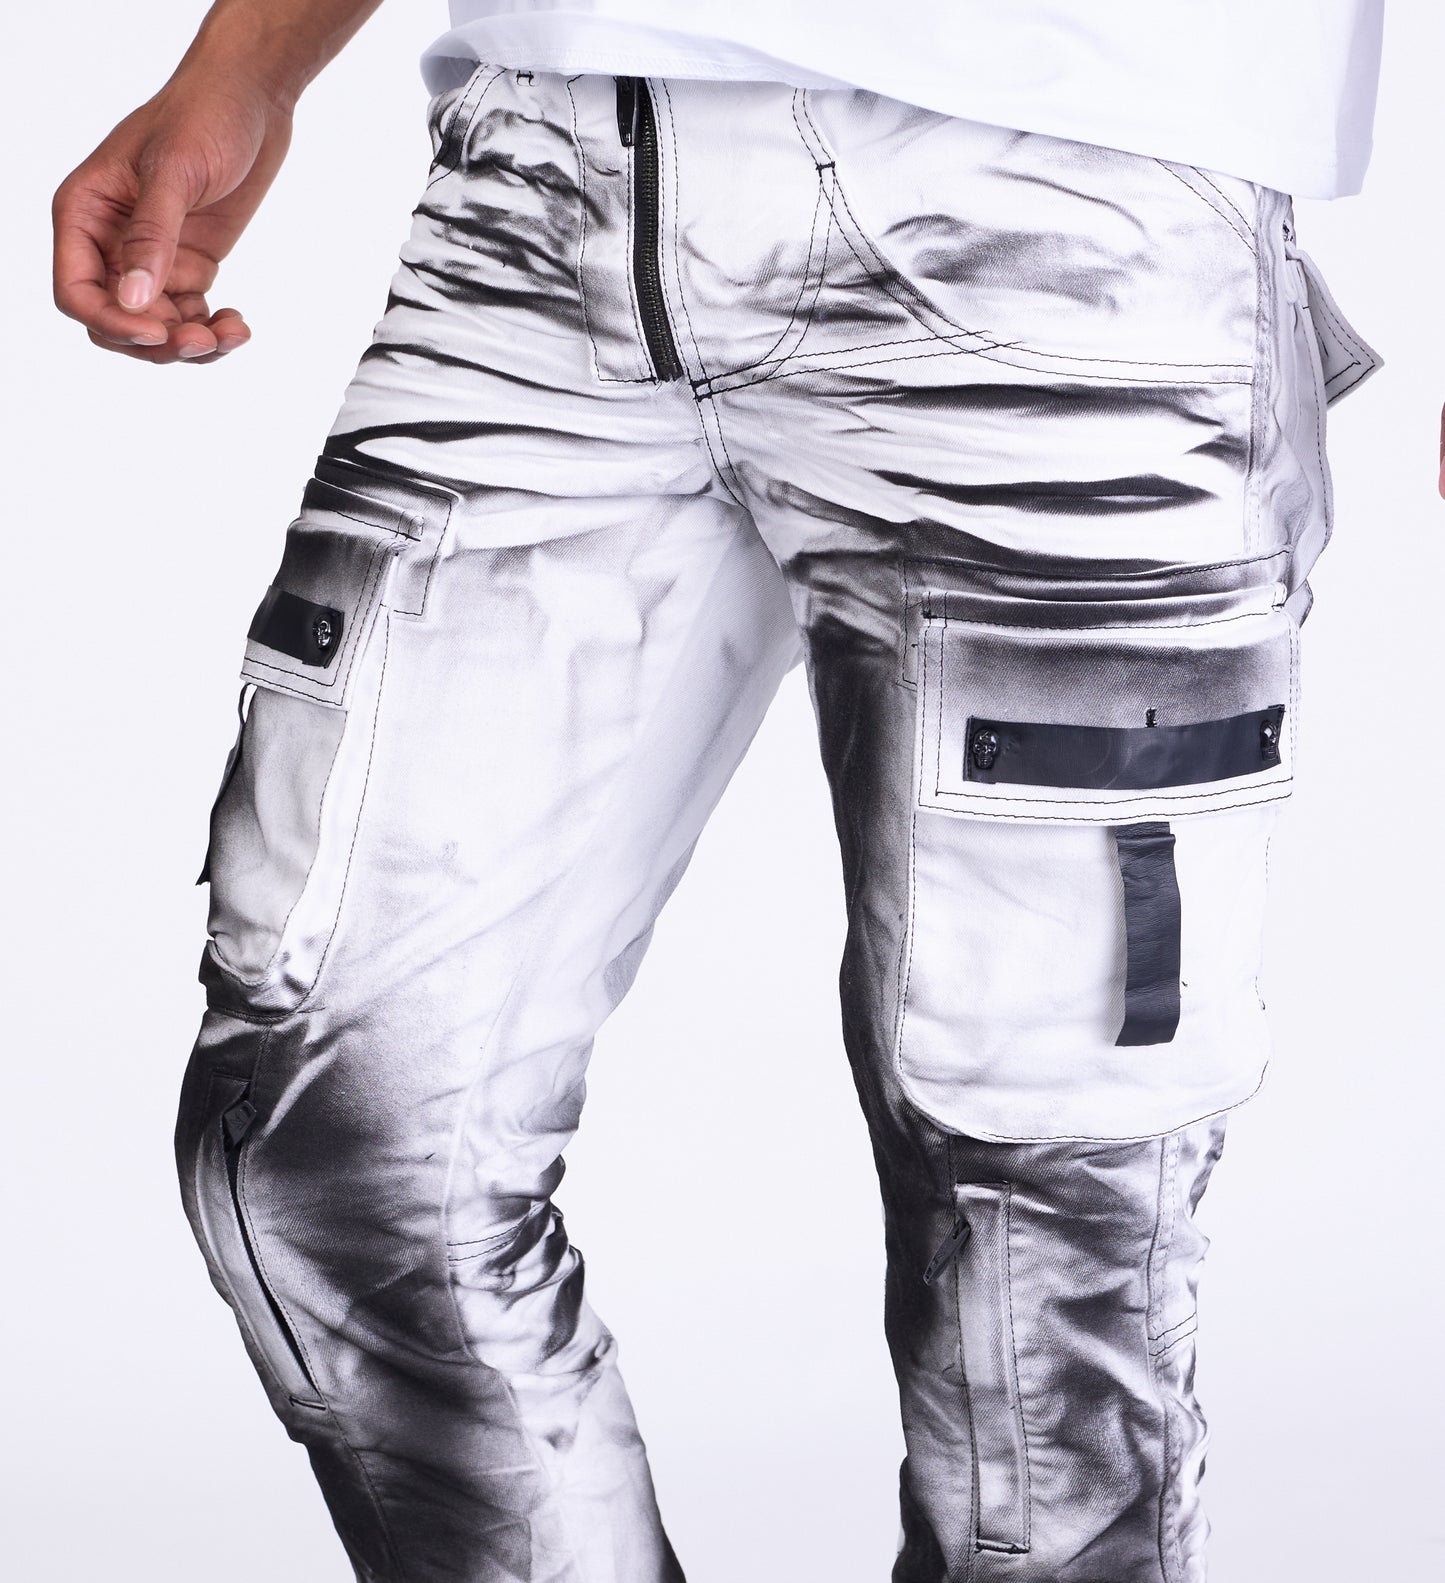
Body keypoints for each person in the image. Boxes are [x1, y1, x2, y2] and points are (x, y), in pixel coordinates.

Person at [51, 3, 1389, 1579]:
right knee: (329, 1143)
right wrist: (247, 65)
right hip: (544, 200)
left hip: (1065, 212)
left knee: (1045, 1270)